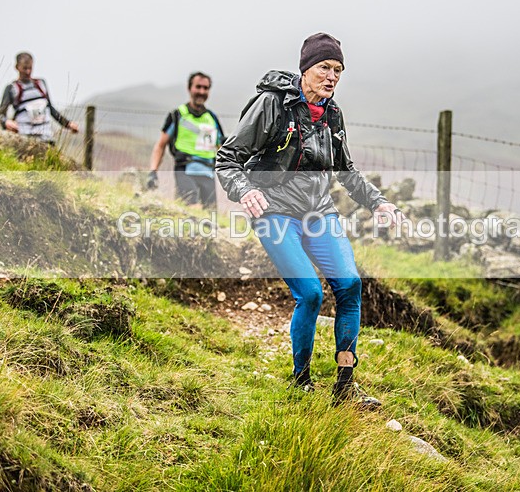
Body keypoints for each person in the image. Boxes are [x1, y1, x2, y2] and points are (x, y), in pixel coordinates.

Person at [215, 33, 400, 408]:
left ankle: (345, 385)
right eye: (324, 68)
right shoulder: (271, 105)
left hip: (318, 212)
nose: (332, 77)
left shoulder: (332, 114)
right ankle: (301, 382)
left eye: (338, 70)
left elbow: (346, 170)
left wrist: (378, 203)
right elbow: (228, 157)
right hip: (274, 212)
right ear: (306, 70)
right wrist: (245, 191)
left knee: (349, 286)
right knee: (311, 294)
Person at [148, 72, 225, 207]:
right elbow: (160, 145)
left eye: (205, 88)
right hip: (185, 170)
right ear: (189, 88)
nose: (202, 91)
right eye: (198, 87)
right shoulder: (177, 115)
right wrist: (153, 171)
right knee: (190, 211)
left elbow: (221, 148)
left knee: (212, 219)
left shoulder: (212, 119)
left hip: (209, 174)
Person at [0, 52, 79, 144]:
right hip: (24, 138)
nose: (28, 71)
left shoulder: (41, 84)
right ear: (17, 67)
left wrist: (67, 124)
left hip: (46, 137)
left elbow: (50, 108)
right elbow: (1, 116)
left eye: (30, 68)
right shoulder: (11, 88)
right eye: (25, 68)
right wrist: (6, 123)